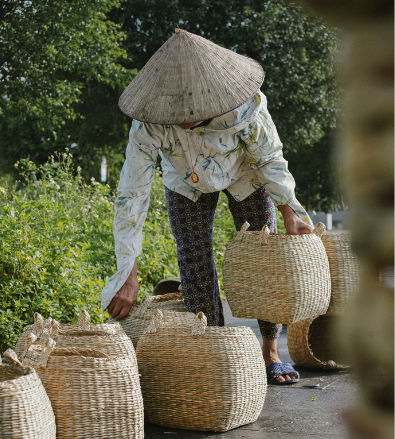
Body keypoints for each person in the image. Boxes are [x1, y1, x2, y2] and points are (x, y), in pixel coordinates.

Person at [102, 28, 314, 385]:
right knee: (194, 260)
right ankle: (214, 346)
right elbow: (132, 192)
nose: (187, 120)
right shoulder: (149, 122)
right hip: (184, 182)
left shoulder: (244, 104)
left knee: (262, 258)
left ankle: (270, 349)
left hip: (244, 173)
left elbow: (270, 158)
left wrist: (289, 208)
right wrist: (128, 269)